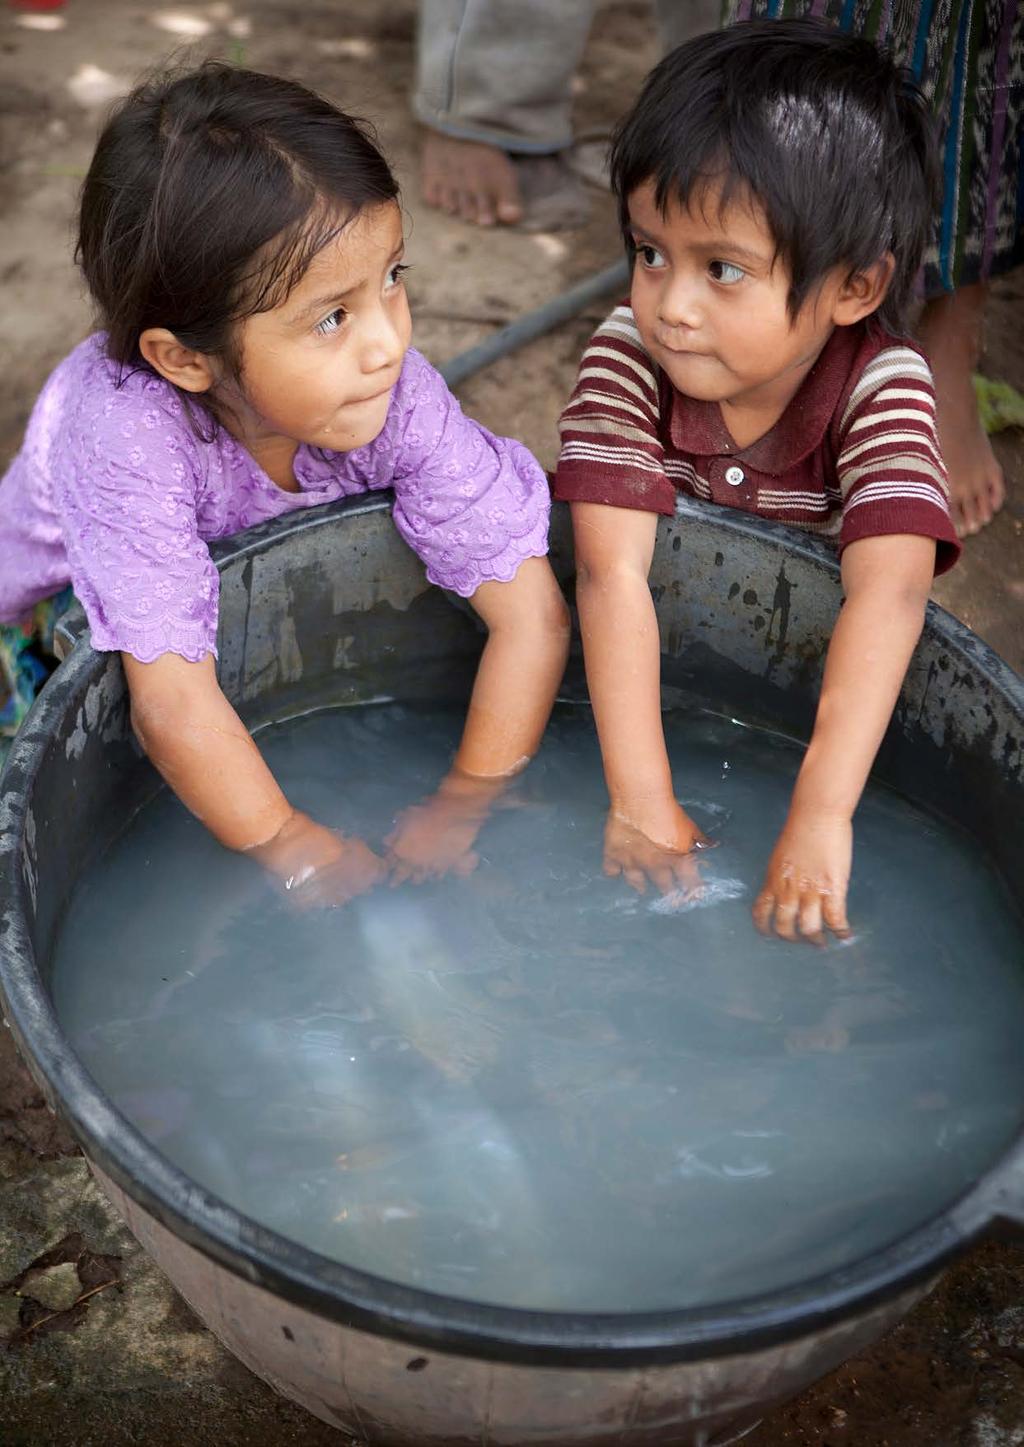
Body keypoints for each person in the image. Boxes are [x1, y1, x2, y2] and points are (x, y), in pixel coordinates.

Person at [0, 63, 569, 903]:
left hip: (211, 599)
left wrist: (464, 800)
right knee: (76, 708)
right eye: (332, 317)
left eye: (392, 281)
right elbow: (173, 707)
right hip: (61, 608)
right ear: (185, 359)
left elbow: (533, 617)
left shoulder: (392, 392)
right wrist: (291, 844)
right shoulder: (123, 437)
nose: (388, 344)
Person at [553, 19, 961, 943]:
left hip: (808, 702)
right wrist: (641, 797)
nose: (669, 305)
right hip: (641, 684)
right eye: (649, 251)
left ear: (855, 289)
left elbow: (890, 596)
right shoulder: (628, 353)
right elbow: (610, 575)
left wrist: (820, 815)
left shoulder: (880, 386)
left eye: (722, 270)